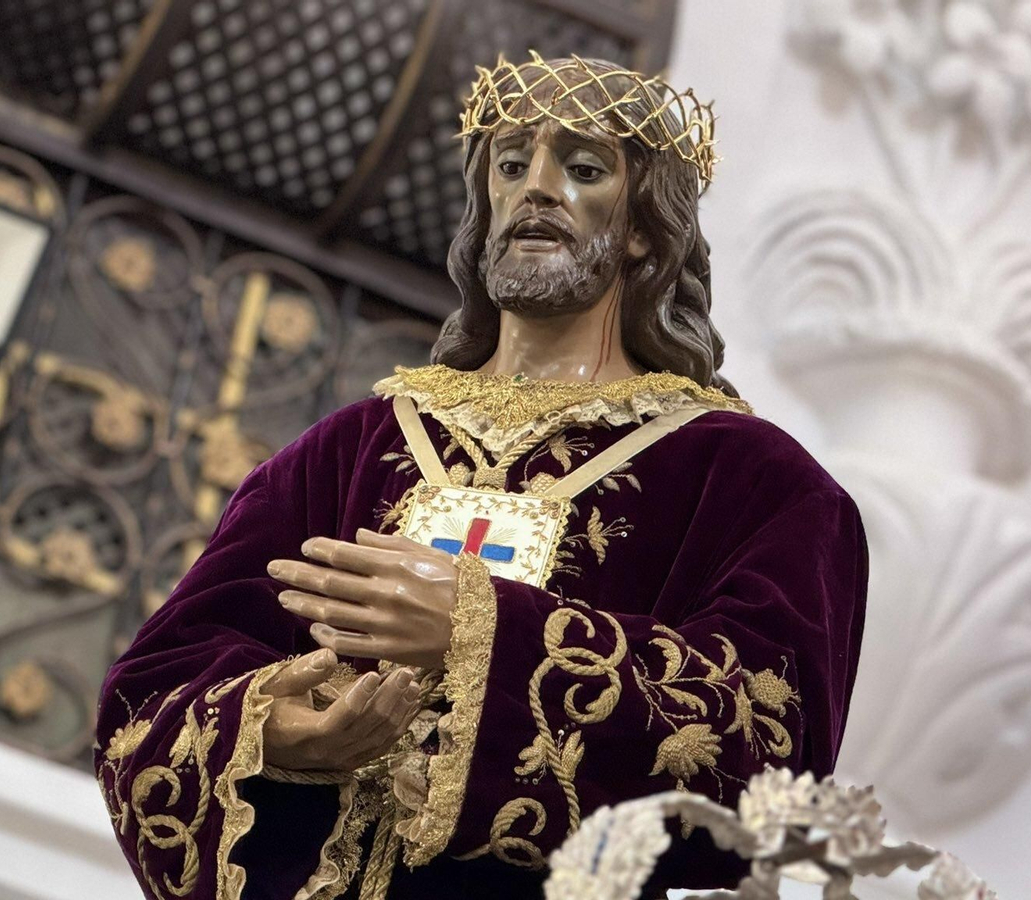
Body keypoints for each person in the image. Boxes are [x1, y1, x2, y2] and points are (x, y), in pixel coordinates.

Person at [95, 52, 868, 900]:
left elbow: (768, 744)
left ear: (646, 225)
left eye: (581, 168)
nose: (536, 187)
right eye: (511, 165)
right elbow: (151, 688)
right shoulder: (348, 448)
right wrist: (274, 727)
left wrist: (483, 633)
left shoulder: (750, 481)